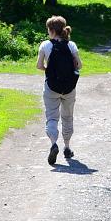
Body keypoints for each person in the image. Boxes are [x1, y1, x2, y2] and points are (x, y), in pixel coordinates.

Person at [36, 15, 82, 165]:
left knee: (52, 118)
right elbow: (79, 65)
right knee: (67, 117)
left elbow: (39, 66)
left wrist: (49, 70)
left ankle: (53, 144)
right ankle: (67, 148)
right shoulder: (71, 45)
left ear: (50, 30)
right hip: (69, 88)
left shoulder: (45, 45)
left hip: (51, 87)